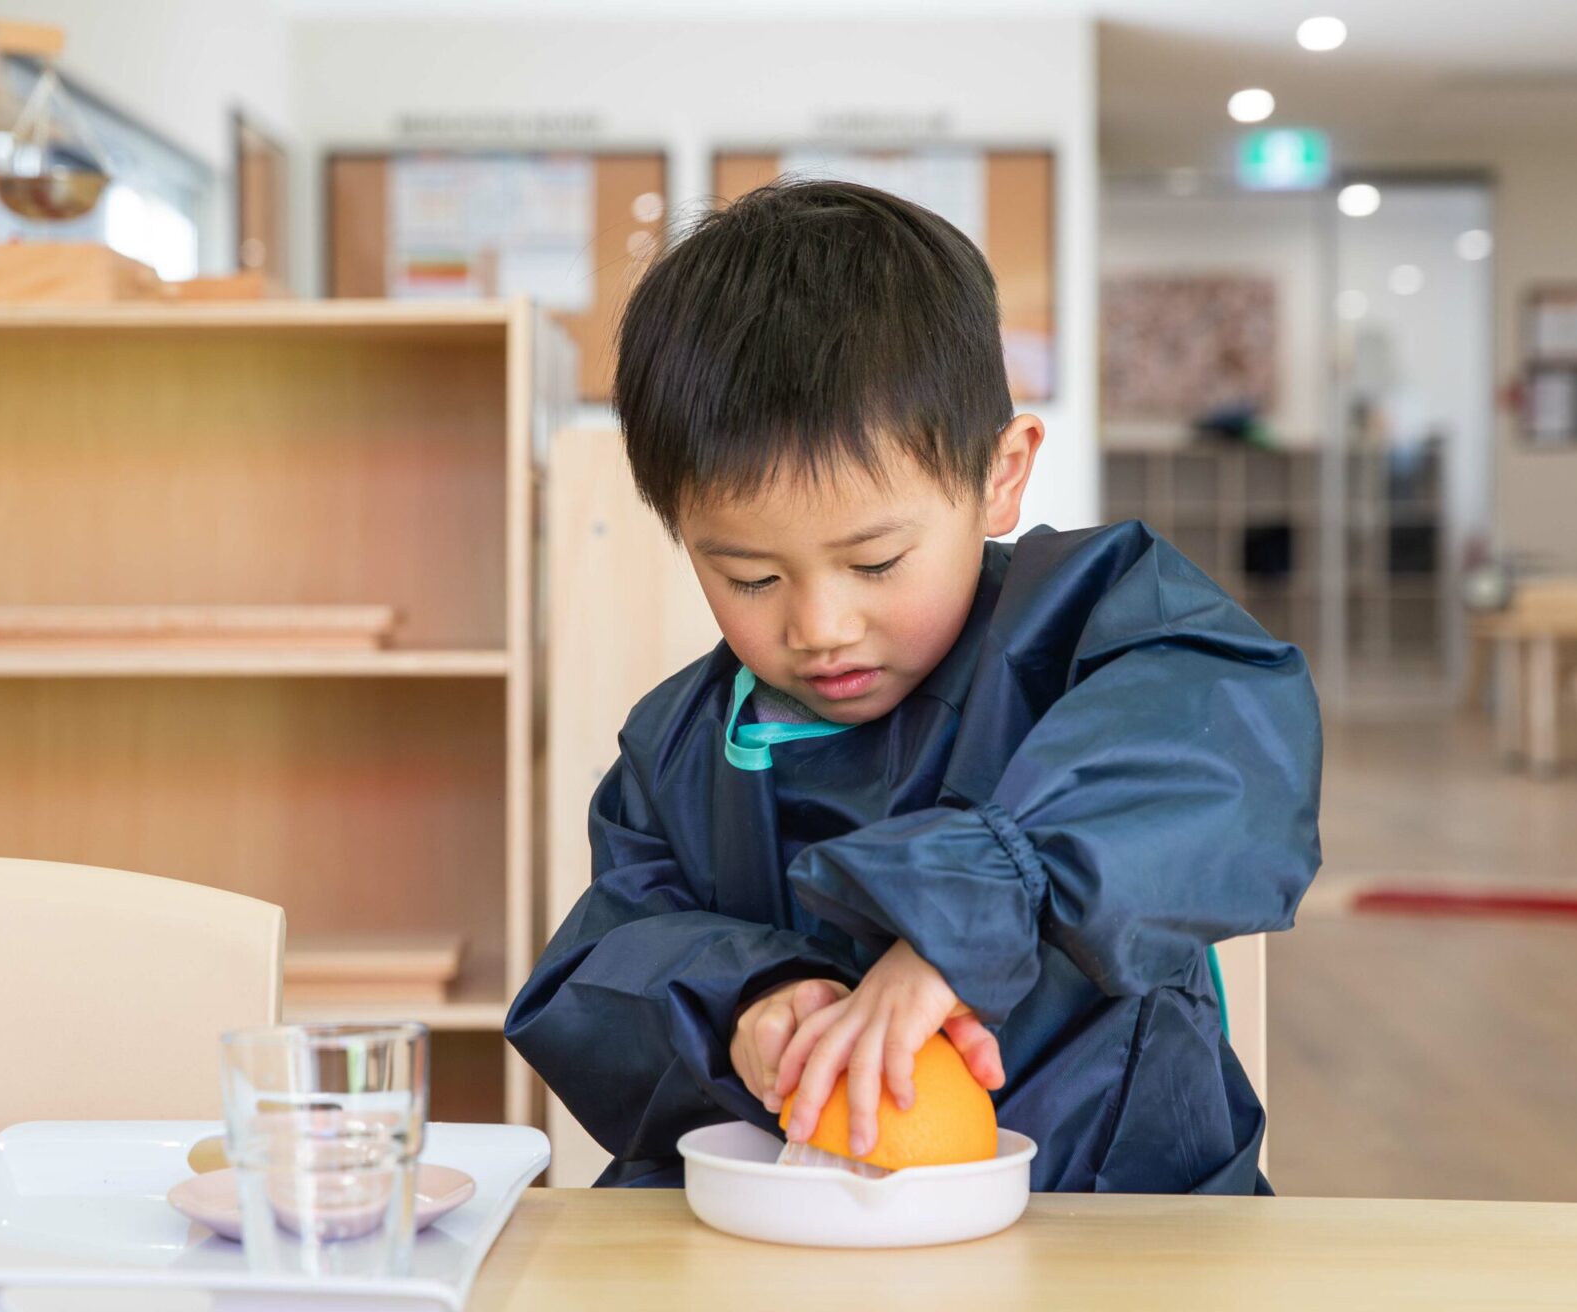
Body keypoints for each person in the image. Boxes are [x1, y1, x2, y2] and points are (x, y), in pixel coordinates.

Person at [505, 179, 1321, 1192]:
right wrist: (745, 1003)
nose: (818, 627)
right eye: (749, 577)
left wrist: (961, 922)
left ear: (999, 476)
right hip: (793, 1248)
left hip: (1114, 1226)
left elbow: (1223, 749)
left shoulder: (1093, 625)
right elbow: (603, 969)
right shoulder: (674, 748)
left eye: (876, 562)